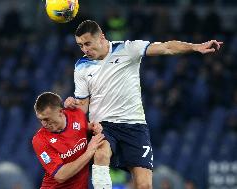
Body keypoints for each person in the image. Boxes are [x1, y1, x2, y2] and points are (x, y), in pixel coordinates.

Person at [64, 20, 223, 189]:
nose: (85, 49)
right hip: (103, 126)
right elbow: (83, 107)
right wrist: (72, 106)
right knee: (101, 153)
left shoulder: (127, 49)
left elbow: (166, 47)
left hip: (135, 127)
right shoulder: (81, 66)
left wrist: (195, 47)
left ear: (101, 37)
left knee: (144, 185)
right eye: (80, 45)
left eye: (87, 43)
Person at [32, 91, 105, 189]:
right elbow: (61, 176)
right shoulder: (40, 140)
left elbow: (86, 127)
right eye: (40, 120)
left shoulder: (77, 115)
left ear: (60, 112)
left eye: (46, 119)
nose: (44, 124)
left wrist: (94, 127)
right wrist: (89, 152)